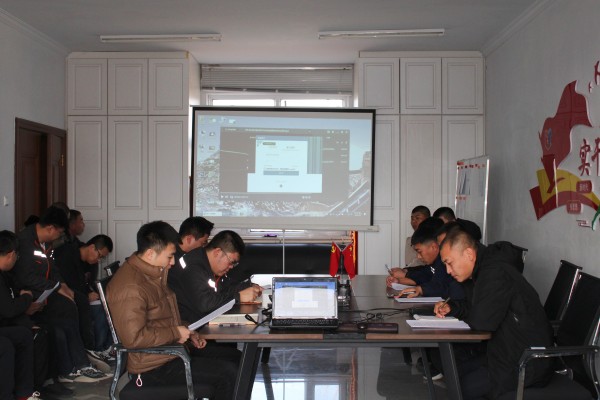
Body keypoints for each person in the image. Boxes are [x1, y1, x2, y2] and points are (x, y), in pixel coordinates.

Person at [106, 221, 236, 400]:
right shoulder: (130, 287)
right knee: (229, 373)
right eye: (170, 256)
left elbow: (163, 318)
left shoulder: (153, 274)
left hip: (171, 352)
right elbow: (134, 339)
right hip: (152, 368)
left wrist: (187, 330)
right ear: (150, 254)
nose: (173, 262)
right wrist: (176, 333)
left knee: (237, 359)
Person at [435, 229, 554, 399]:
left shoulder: (494, 272)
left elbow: (482, 322)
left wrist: (468, 312)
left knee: (463, 387)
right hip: (504, 351)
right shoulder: (483, 269)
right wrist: (452, 308)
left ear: (469, 254)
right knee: (455, 371)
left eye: (449, 263)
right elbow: (477, 308)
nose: (448, 270)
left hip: (527, 361)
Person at [11, 206, 108, 383]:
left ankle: (82, 358)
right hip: (30, 294)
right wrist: (56, 287)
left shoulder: (46, 243)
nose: (60, 236)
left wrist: (62, 285)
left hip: (46, 290)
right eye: (60, 232)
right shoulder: (25, 242)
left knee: (75, 300)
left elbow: (52, 267)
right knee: (66, 308)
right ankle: (77, 365)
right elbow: (26, 277)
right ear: (51, 229)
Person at [175, 230, 261, 324]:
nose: (231, 267)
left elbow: (227, 286)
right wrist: (238, 297)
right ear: (217, 252)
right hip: (191, 326)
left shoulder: (208, 264)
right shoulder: (193, 267)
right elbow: (206, 304)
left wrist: (249, 286)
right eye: (231, 262)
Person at [54, 234, 114, 367]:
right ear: (92, 247)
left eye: (102, 258)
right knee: (97, 309)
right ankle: (94, 349)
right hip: (66, 298)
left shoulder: (91, 264)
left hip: (82, 296)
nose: (99, 260)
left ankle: (104, 348)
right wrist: (87, 295)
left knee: (106, 305)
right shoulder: (67, 256)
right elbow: (67, 285)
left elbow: (88, 283)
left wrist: (91, 293)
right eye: (99, 256)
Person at [0, 230, 41, 400]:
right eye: (17, 256)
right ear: (11, 254)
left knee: (23, 335)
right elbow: (8, 309)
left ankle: (25, 393)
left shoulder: (5, 275)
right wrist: (26, 298)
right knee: (5, 346)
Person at [167, 216, 214, 294]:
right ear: (189, 239)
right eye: (202, 243)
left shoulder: (188, 255)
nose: (203, 247)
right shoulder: (172, 260)